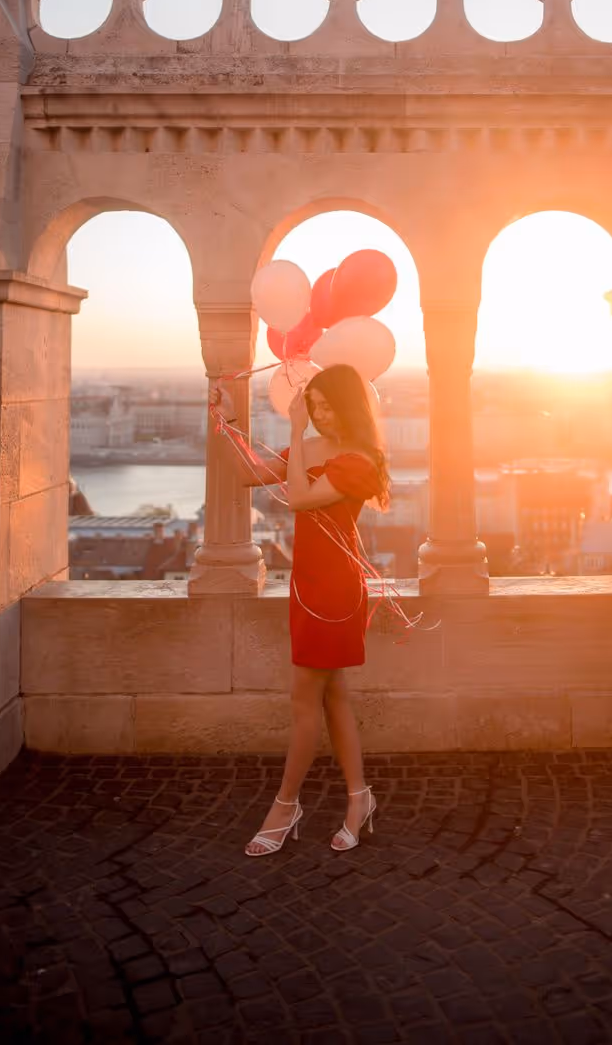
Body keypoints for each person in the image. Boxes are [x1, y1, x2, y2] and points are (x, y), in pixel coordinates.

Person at [210, 363, 390, 856]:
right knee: (333, 698)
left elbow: (299, 500)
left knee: (305, 701)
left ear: (350, 406)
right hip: (307, 585)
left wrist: (292, 430)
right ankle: (359, 799)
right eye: (313, 407)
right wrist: (223, 423)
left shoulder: (360, 460)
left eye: (329, 406)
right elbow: (250, 475)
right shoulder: (311, 449)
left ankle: (285, 806)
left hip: (334, 591)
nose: (320, 415)